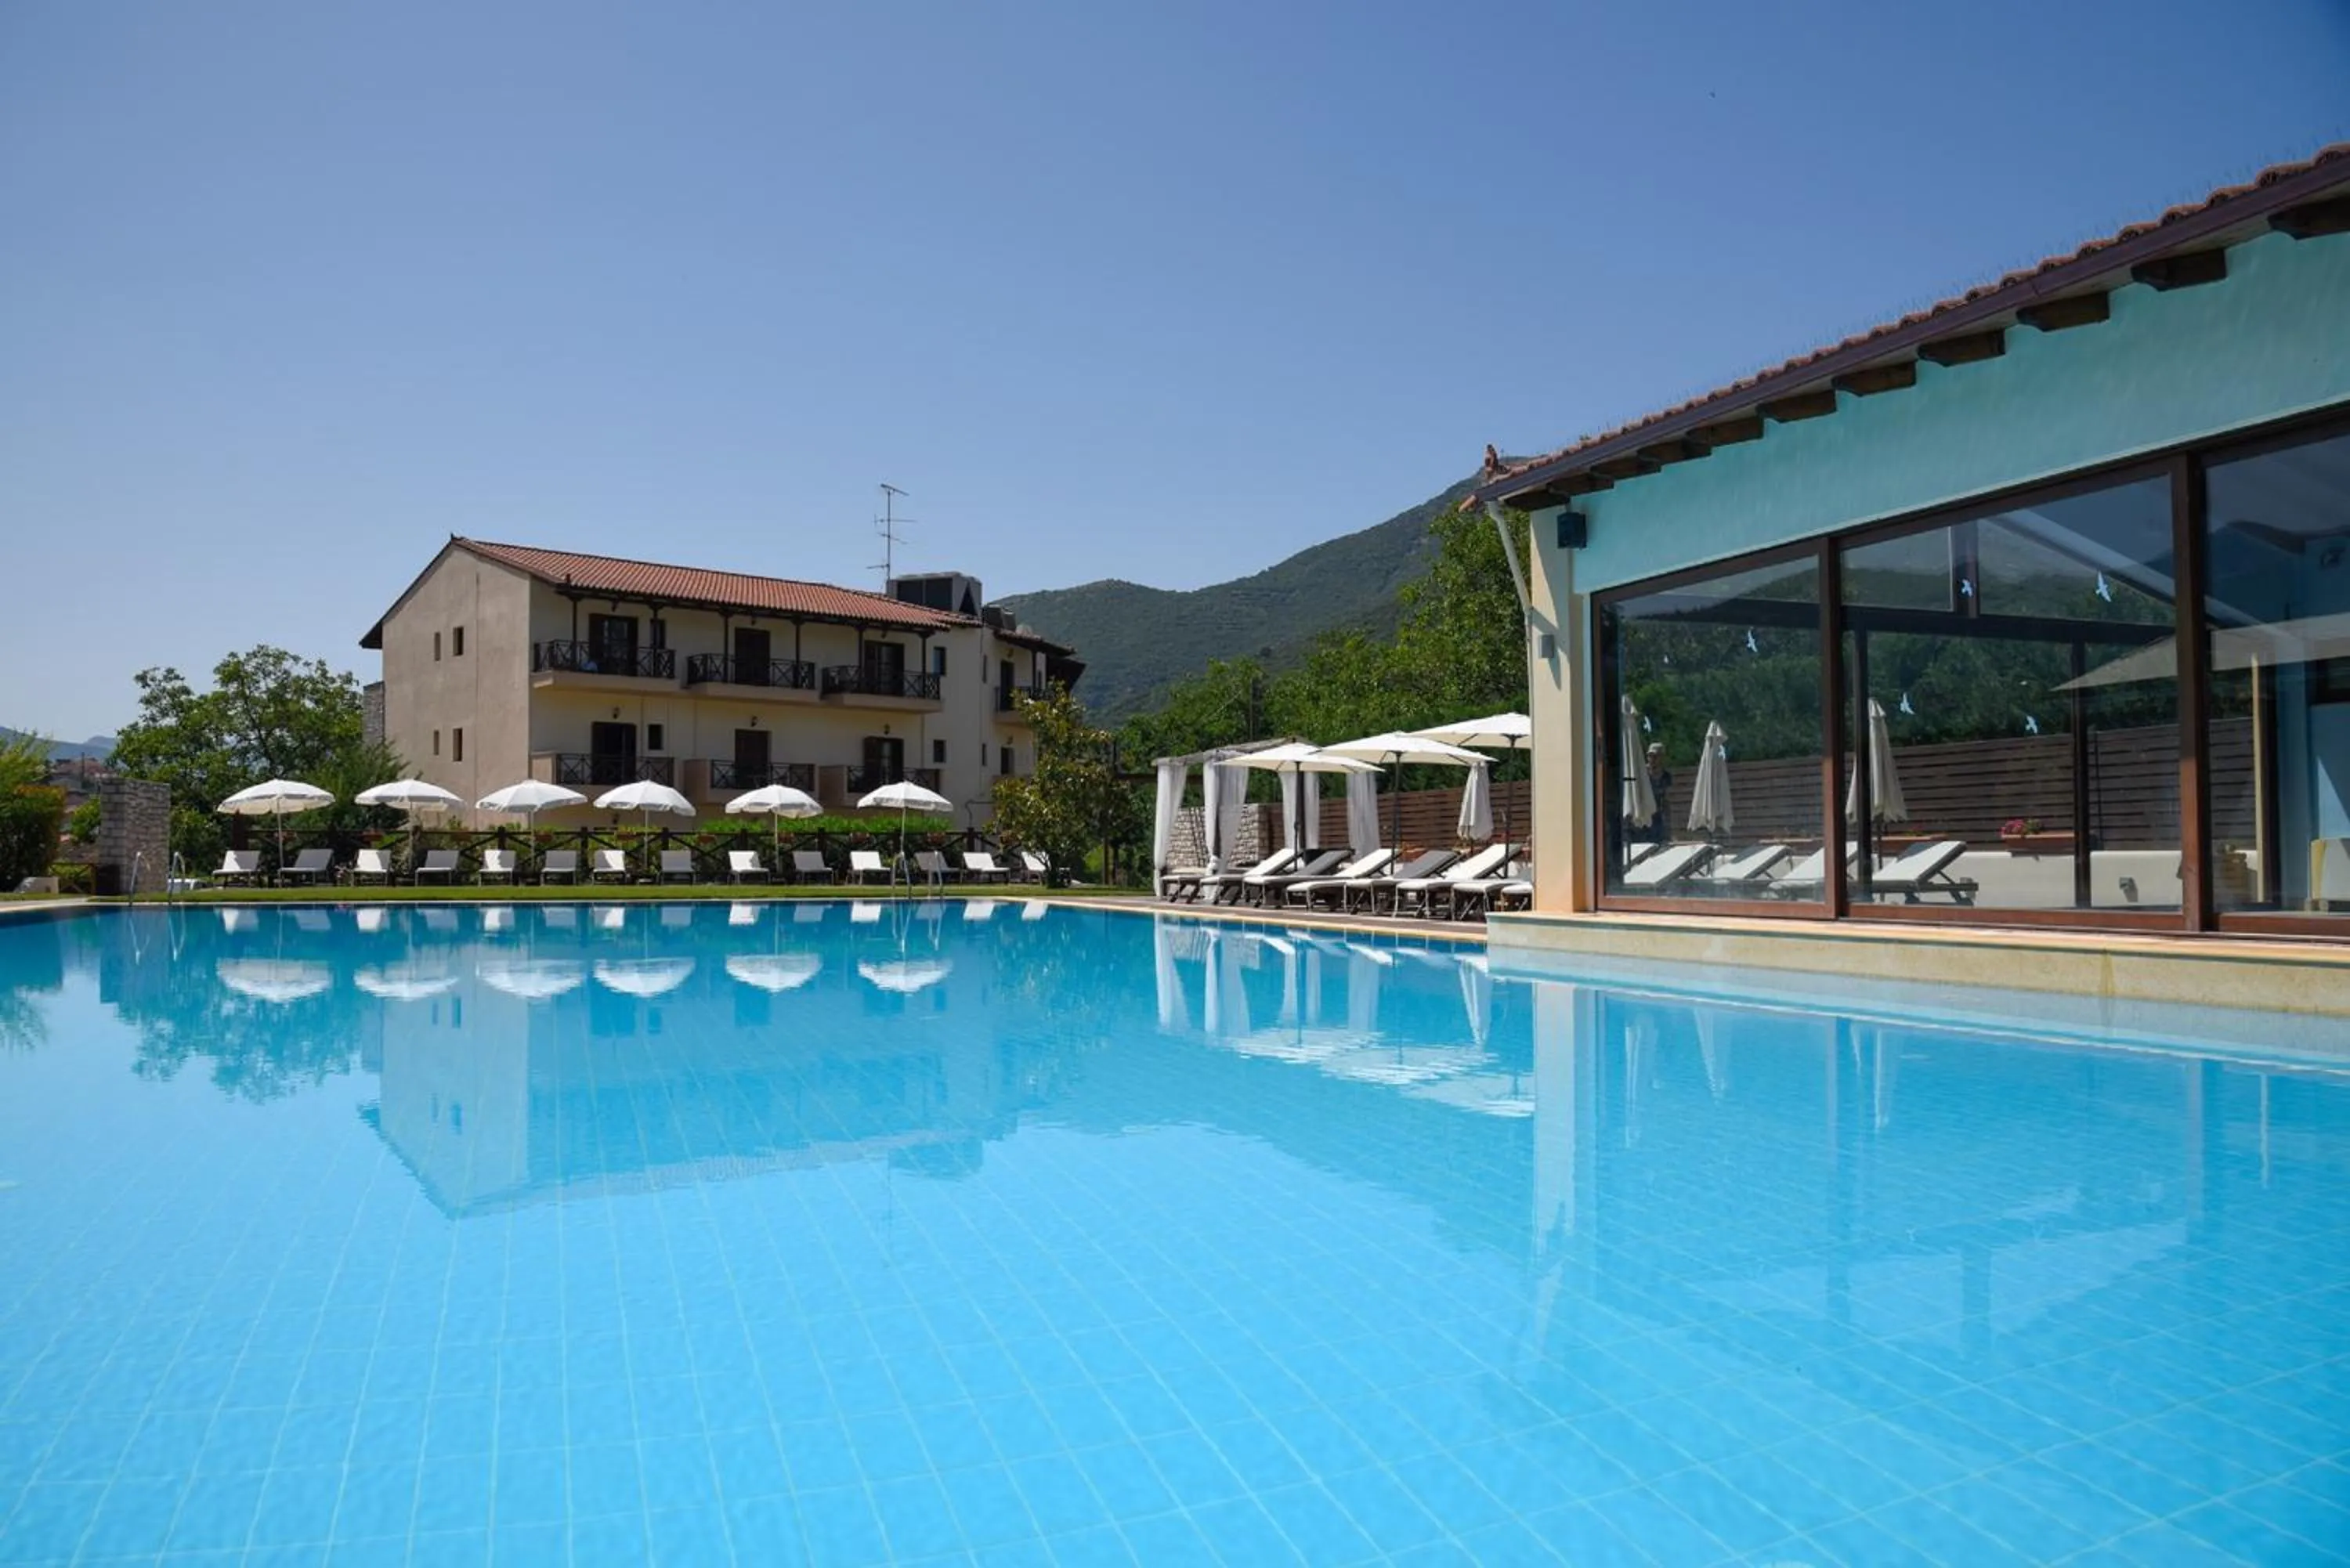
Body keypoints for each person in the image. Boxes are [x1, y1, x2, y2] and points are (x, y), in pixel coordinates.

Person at [1638, 742, 1674, 844]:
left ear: (1661, 757)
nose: (1652, 759)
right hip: (1643, 814)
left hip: (1658, 815)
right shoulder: (1642, 773)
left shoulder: (1666, 776)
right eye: (1650, 756)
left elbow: (1667, 798)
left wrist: (1668, 823)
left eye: (1655, 756)